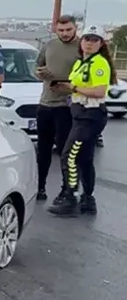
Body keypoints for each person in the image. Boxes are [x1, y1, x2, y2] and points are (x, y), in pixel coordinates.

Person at [47, 25, 116, 216]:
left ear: (101, 43)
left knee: (69, 155)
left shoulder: (99, 63)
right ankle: (88, 199)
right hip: (79, 113)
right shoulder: (81, 63)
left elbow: (100, 91)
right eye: (87, 39)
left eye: (94, 40)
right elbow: (76, 85)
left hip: (90, 115)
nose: (89, 43)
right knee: (85, 158)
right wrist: (63, 87)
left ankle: (70, 196)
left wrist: (74, 89)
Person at [33, 15, 79, 202]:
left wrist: (68, 84)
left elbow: (89, 77)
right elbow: (37, 65)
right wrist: (39, 73)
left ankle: (67, 190)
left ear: (75, 28)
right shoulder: (49, 46)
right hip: (45, 104)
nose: (65, 33)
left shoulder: (83, 47)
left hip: (66, 107)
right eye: (61, 30)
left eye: (68, 30)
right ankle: (40, 187)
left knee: (65, 151)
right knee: (43, 150)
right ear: (55, 29)